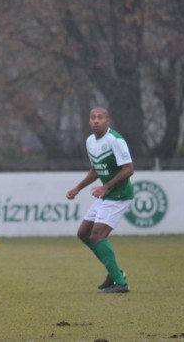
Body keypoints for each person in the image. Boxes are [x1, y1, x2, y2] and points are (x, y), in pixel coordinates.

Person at [66, 107, 133, 294]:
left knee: (97, 236)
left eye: (100, 118)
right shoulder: (90, 141)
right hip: (107, 195)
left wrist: (106, 187)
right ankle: (114, 273)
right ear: (89, 122)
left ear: (107, 121)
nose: (96, 120)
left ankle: (121, 283)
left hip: (119, 195)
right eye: (93, 118)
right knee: (84, 233)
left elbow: (128, 169)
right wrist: (77, 188)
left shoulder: (115, 140)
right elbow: (95, 169)